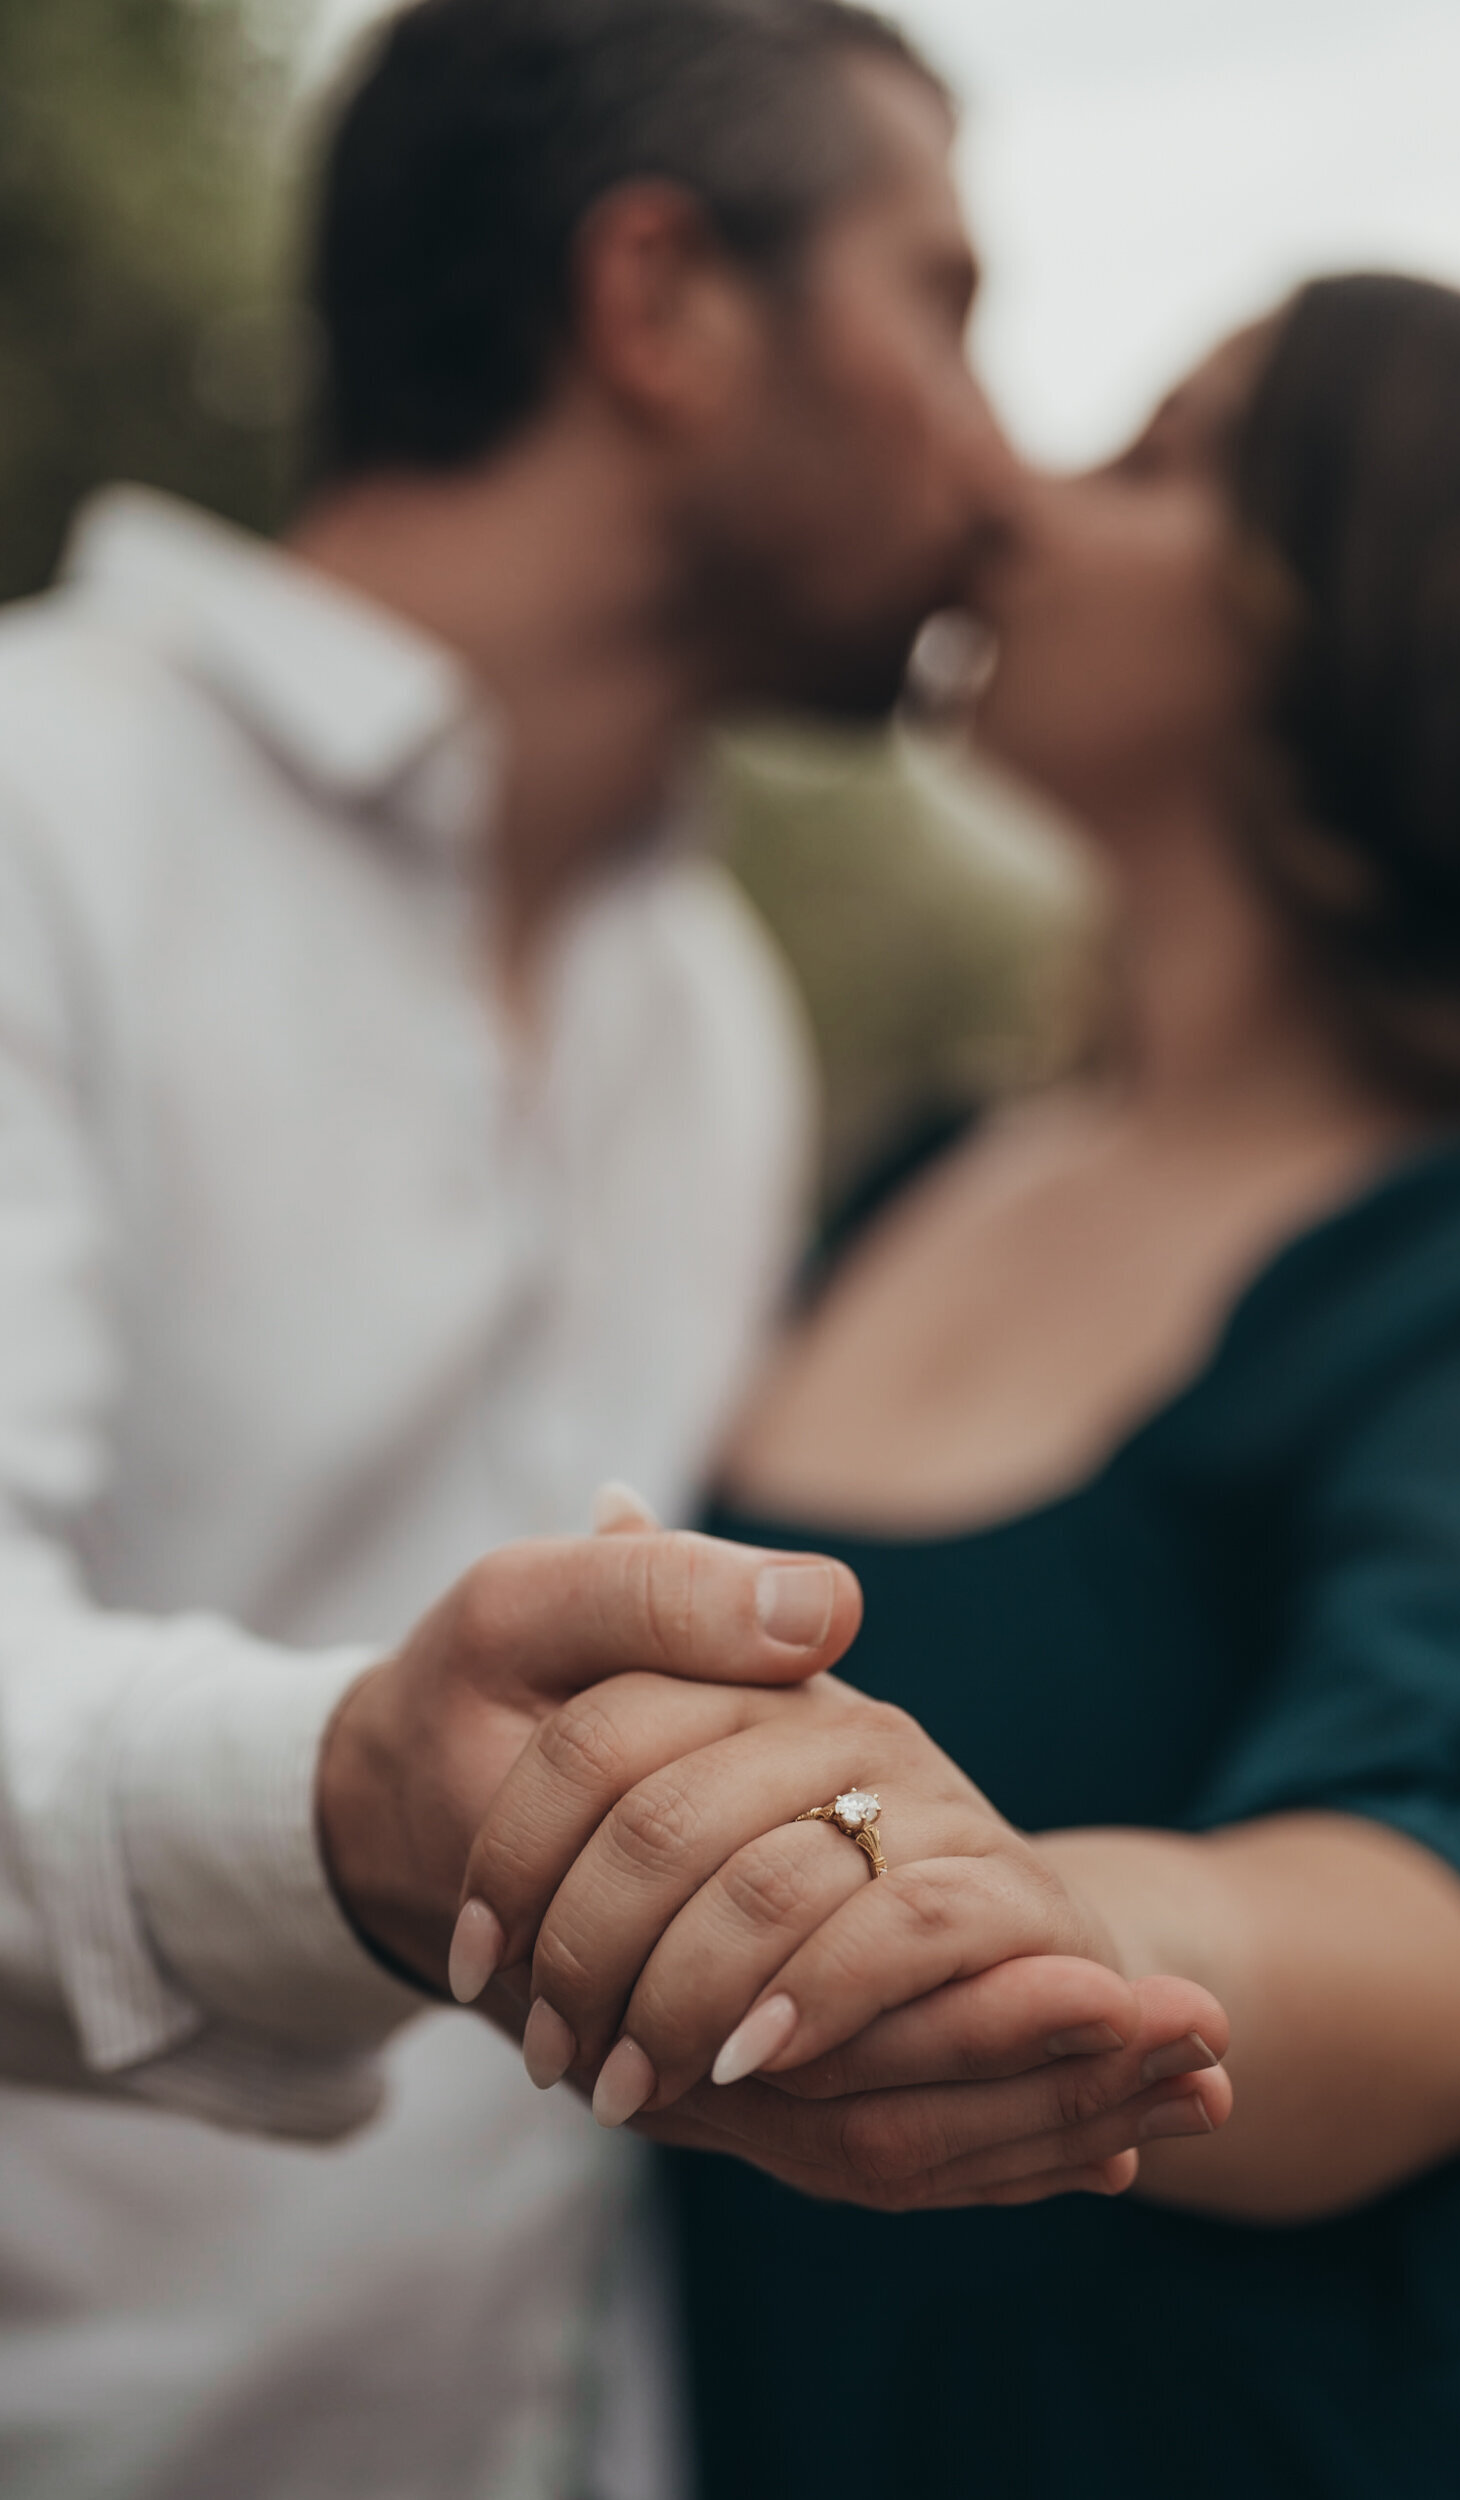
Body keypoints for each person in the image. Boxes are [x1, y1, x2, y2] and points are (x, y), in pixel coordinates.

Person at [0, 4, 1224, 2494]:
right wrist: (353, 1798)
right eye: (942, 301)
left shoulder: (717, 1010)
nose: (998, 463)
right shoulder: (41, 812)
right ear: (659, 303)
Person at [455, 274, 1460, 2496]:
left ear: (1381, 610)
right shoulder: (918, 1167)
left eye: (1159, 457)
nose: (1012, 486)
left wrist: (1055, 1930)